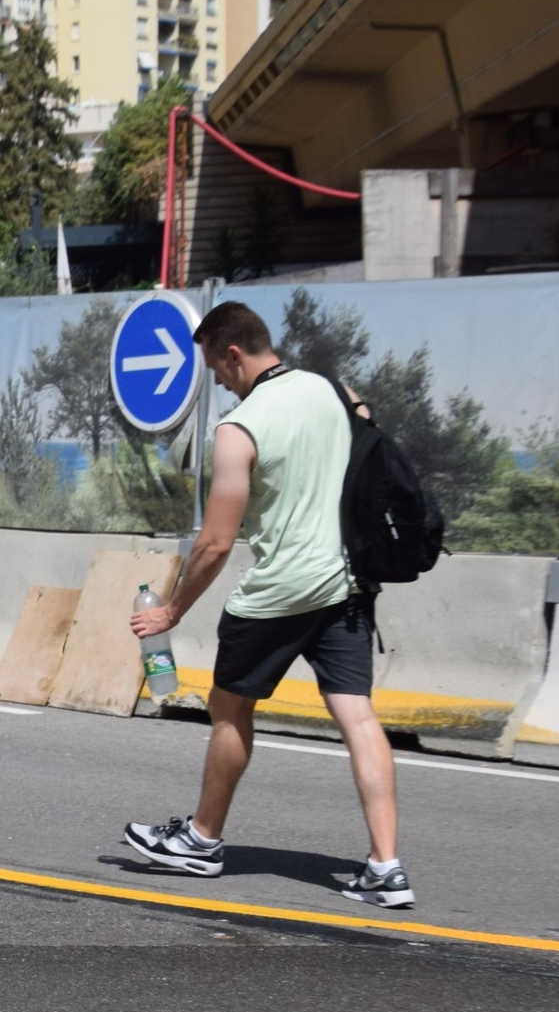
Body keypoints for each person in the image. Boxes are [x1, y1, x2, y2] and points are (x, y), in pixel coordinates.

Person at [125, 302, 410, 908]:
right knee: (358, 718)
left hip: (279, 593)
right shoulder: (337, 391)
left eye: (217, 370)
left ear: (234, 353)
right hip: (347, 586)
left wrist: (172, 611)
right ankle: (386, 868)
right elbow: (370, 456)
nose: (220, 384)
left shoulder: (240, 428)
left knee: (230, 711)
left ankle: (202, 840)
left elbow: (216, 542)